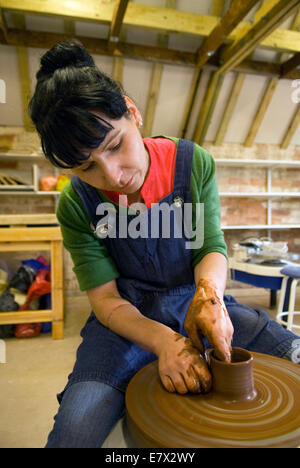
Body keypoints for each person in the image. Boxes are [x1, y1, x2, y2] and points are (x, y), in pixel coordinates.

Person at [29, 40, 299, 448]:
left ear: (132, 111)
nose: (113, 176)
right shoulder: (76, 204)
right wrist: (162, 341)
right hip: (127, 317)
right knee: (74, 431)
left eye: (115, 145)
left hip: (194, 298)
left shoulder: (193, 164)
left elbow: (210, 246)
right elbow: (105, 301)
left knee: (292, 351)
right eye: (87, 167)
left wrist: (211, 298)